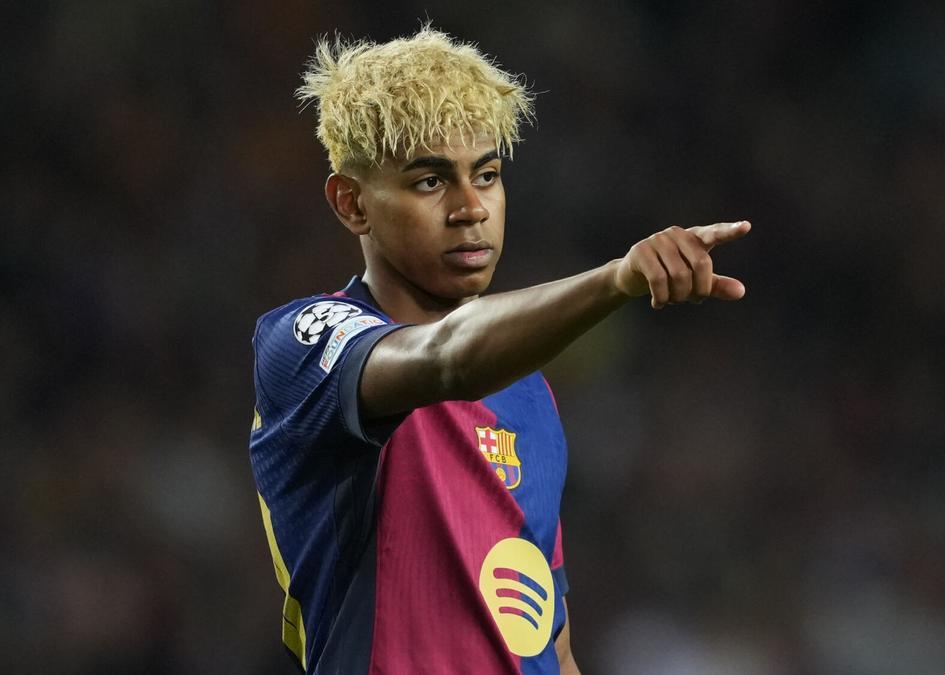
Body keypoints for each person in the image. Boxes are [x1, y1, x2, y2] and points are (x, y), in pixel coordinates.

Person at [249, 26, 750, 674]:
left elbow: (550, 641)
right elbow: (446, 359)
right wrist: (616, 280)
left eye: (486, 175)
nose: (471, 208)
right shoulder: (304, 340)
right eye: (430, 182)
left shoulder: (529, 393)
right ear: (352, 204)